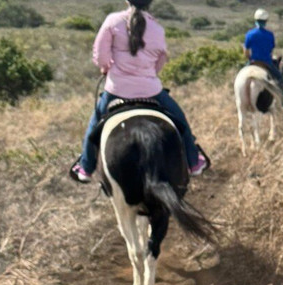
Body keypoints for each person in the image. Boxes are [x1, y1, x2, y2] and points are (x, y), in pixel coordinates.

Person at [70, 0, 208, 183]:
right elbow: (160, 60)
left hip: (116, 89)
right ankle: (193, 162)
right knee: (180, 120)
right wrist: (148, 74)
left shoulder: (112, 21)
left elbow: (101, 55)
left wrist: (106, 68)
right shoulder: (158, 29)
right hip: (151, 90)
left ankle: (86, 168)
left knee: (94, 123)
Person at [243, 8, 283, 104]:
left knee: (240, 75)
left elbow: (246, 51)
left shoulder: (249, 34)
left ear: (255, 21)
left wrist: (249, 58)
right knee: (280, 79)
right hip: (266, 63)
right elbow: (270, 50)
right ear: (266, 21)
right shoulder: (270, 35)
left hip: (253, 62)